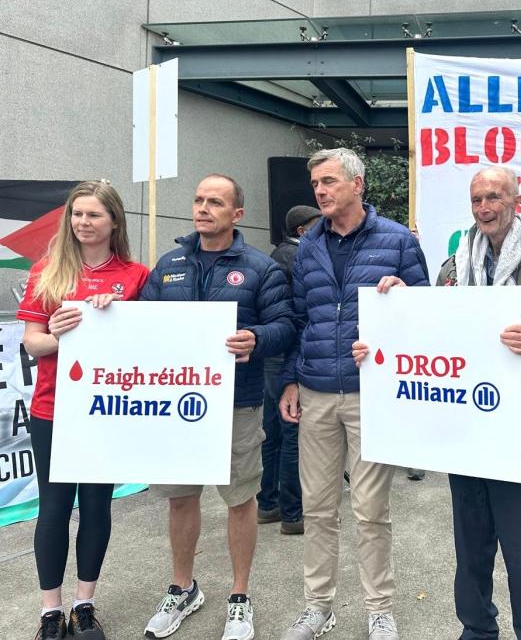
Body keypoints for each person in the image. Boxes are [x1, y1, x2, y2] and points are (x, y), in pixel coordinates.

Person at [356, 165, 521, 639]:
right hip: (466, 435)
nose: (484, 208)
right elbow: (430, 336)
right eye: (477, 199)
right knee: (472, 550)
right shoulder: (453, 269)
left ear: (517, 201)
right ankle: (476, 631)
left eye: (494, 197)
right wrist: (393, 319)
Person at [278, 148, 429, 640]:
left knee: (370, 510)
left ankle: (379, 609)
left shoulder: (397, 240)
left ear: (357, 183)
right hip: (317, 391)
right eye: (316, 184)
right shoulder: (308, 245)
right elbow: (299, 318)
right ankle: (318, 606)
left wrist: (405, 295)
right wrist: (290, 379)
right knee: (318, 508)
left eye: (329, 181)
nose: (320, 191)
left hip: (372, 394)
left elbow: (427, 314)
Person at [141, 174, 295, 640]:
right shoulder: (169, 265)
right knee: (181, 497)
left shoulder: (261, 268)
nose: (203, 208)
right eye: (198, 200)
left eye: (215, 202)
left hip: (236, 404)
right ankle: (183, 588)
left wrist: (257, 338)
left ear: (237, 214)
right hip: (176, 403)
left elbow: (286, 326)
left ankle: (239, 596)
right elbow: (142, 322)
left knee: (240, 500)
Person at [17, 180, 150, 640]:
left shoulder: (136, 275)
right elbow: (32, 343)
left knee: (96, 506)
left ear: (114, 220)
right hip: (53, 409)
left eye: (93, 214)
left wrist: (115, 317)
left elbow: (149, 343)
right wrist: (61, 333)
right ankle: (50, 612)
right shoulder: (47, 271)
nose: (83, 222)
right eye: (77, 214)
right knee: (54, 507)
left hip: (107, 410)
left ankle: (83, 606)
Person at [258, 204, 321, 534]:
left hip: (271, 355)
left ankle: (268, 503)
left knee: (272, 432)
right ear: (302, 230)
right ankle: (293, 513)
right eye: (316, 224)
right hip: (287, 356)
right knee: (293, 435)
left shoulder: (275, 255)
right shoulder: (298, 257)